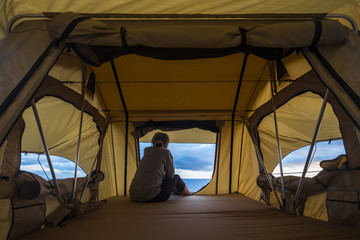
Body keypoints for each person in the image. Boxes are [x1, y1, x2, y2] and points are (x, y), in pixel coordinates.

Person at [129, 132, 191, 202]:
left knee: (161, 180)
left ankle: (177, 191)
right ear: (167, 143)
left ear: (152, 141)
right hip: (151, 197)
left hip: (133, 195)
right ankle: (188, 193)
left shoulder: (146, 153)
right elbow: (171, 175)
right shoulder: (165, 152)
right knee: (176, 177)